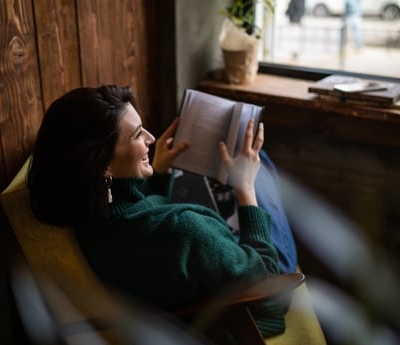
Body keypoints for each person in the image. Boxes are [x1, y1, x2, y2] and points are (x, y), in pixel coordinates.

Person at [27, 85, 297, 337]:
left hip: (204, 280)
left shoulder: (83, 210)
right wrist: (245, 188)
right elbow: (268, 282)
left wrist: (158, 173)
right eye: (136, 134)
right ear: (103, 166)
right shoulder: (186, 230)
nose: (151, 138)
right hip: (251, 312)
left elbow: (143, 237)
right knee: (261, 167)